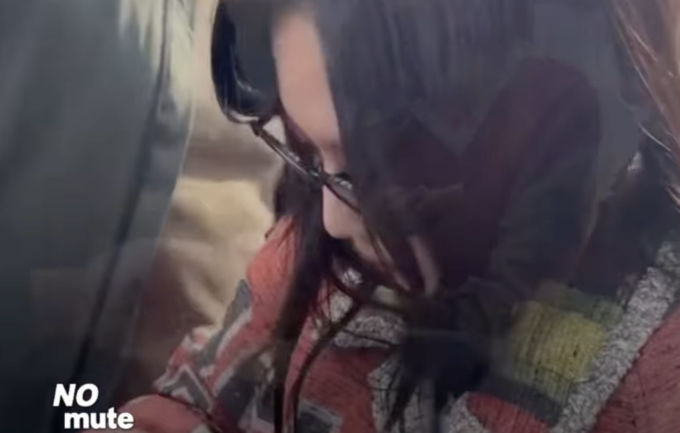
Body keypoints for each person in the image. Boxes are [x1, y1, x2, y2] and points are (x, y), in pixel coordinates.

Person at [105, 0, 680, 432]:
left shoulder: (644, 380)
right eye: (310, 152)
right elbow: (205, 396)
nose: (332, 220)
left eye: (372, 166)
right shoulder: (347, 221)